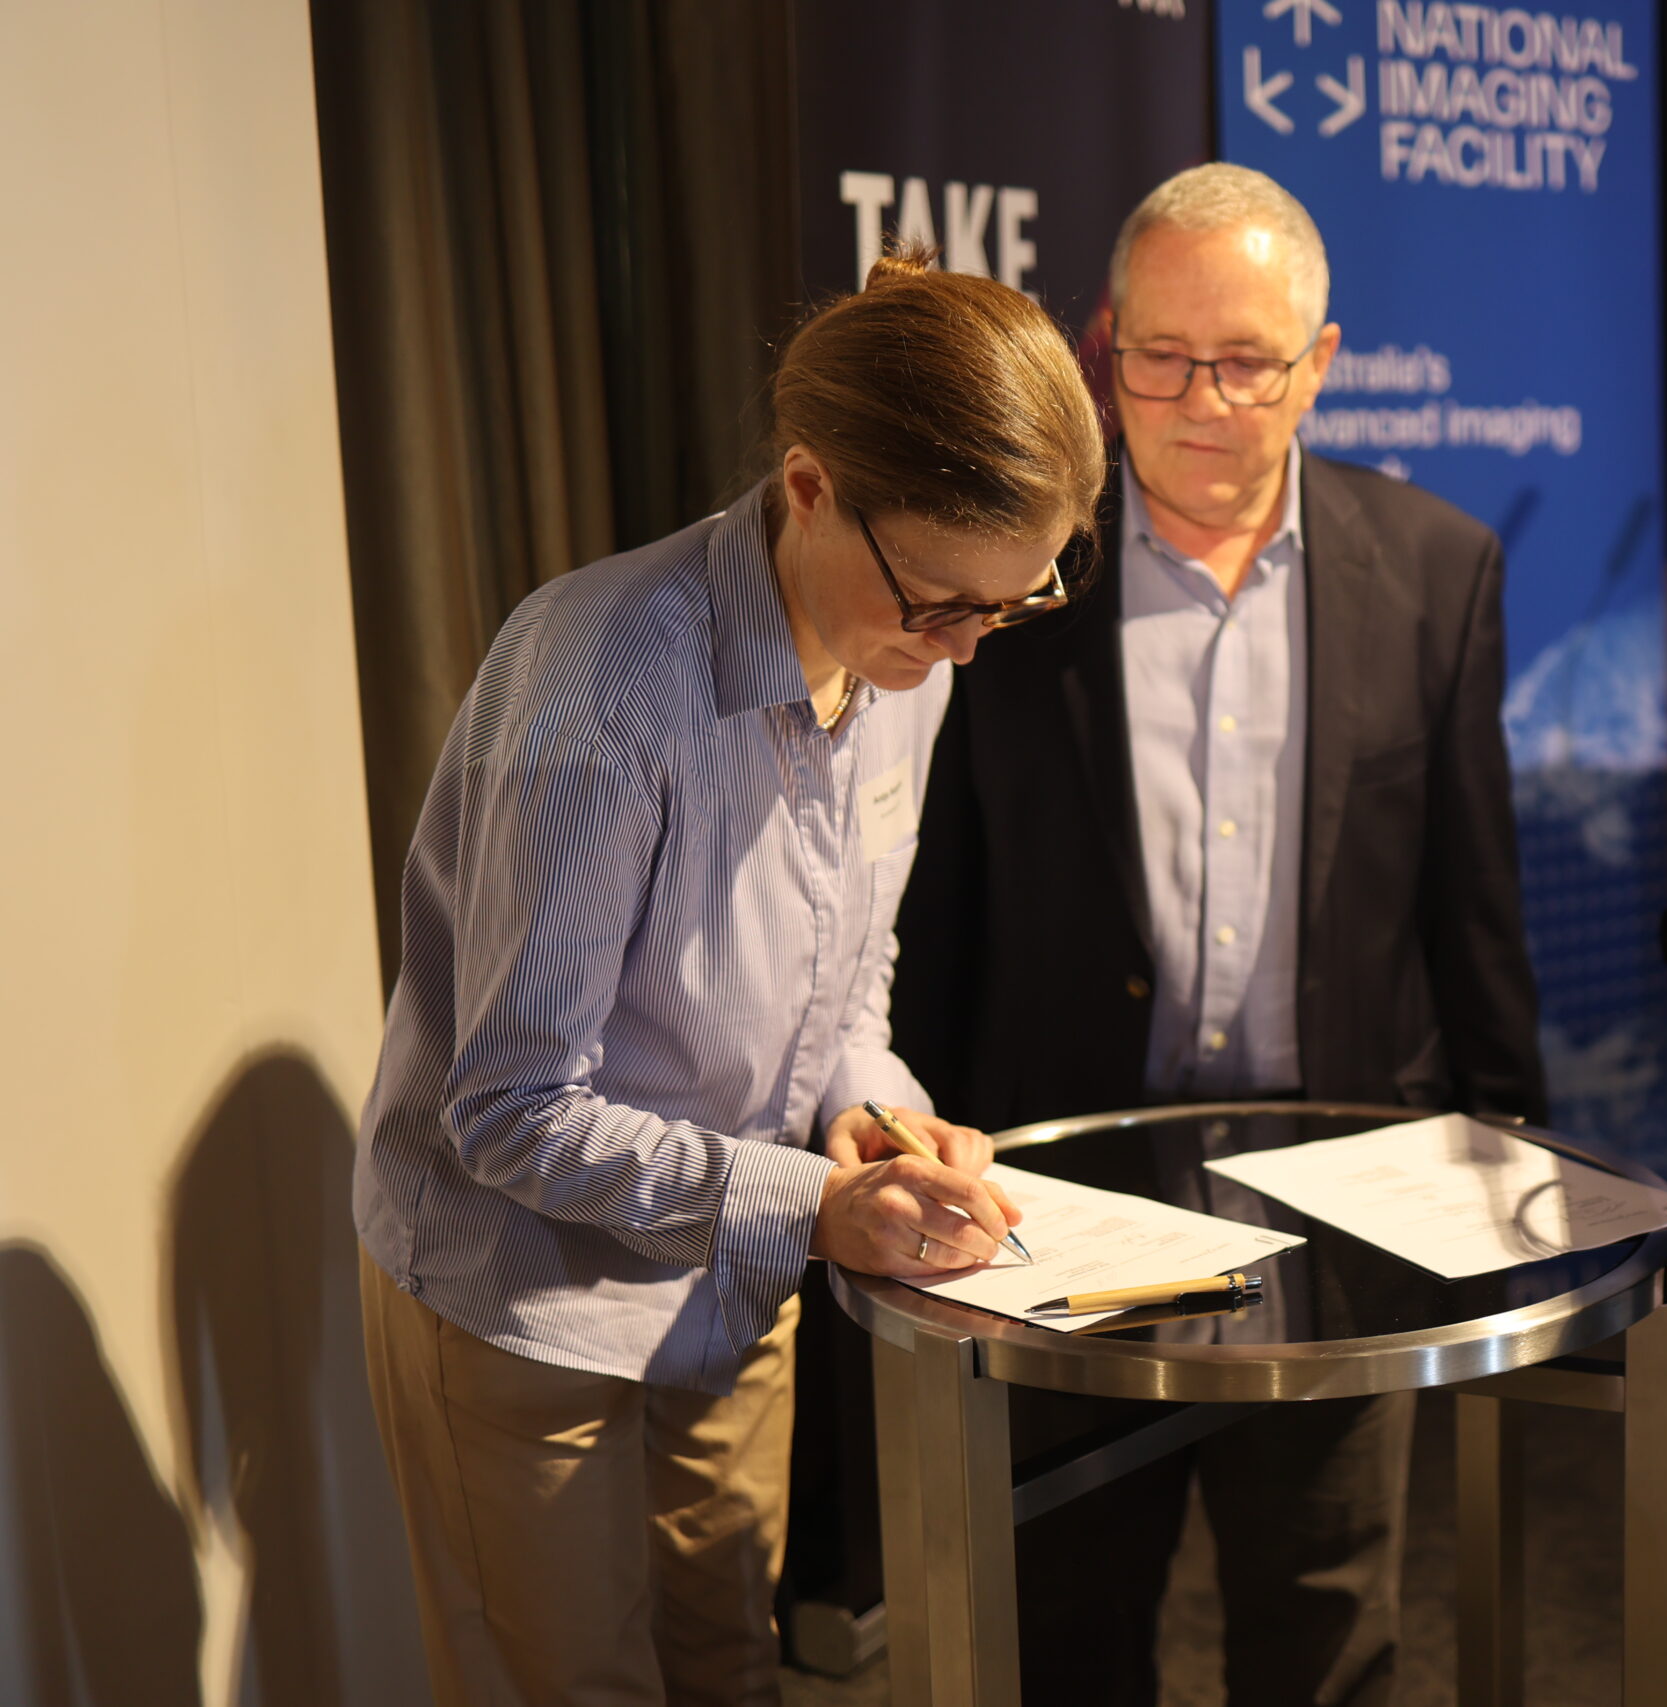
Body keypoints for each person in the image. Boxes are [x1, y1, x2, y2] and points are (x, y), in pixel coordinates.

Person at [351, 249, 1106, 1707]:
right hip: (525, 1299)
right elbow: (504, 1108)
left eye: (1003, 610)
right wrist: (819, 1210)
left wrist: (875, 1109)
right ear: (812, 485)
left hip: (726, 1269)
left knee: (732, 1667)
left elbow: (849, 958)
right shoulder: (607, 690)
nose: (958, 648)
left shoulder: (911, 660)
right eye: (940, 603)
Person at [895, 164, 1547, 1707]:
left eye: (1245, 362)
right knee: (1064, 1618)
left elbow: (1473, 902)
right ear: (1104, 346)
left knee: (1327, 1626)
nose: (1200, 401)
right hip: (1059, 1213)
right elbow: (937, 915)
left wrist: (1517, 1154)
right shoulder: (1010, 573)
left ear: (1318, 363)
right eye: (1160, 358)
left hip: (1341, 1210)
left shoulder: (1436, 572)